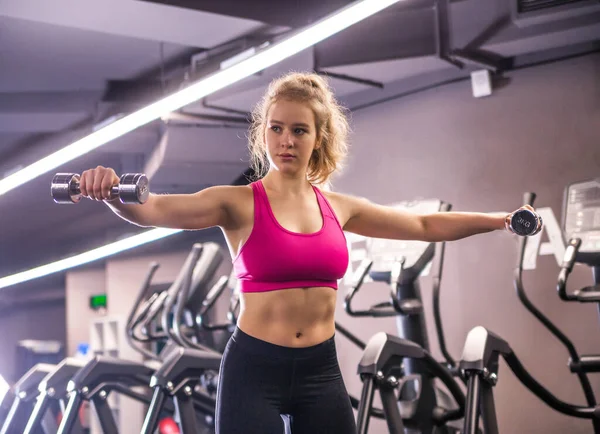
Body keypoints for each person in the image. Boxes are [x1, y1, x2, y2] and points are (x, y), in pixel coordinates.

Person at [78, 72, 534, 434]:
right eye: (276, 129)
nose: (287, 141)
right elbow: (155, 208)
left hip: (321, 369)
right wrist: (116, 196)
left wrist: (500, 220)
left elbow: (422, 225)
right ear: (264, 135)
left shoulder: (338, 207)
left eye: (299, 130)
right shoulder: (237, 202)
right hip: (253, 369)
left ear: (319, 137)